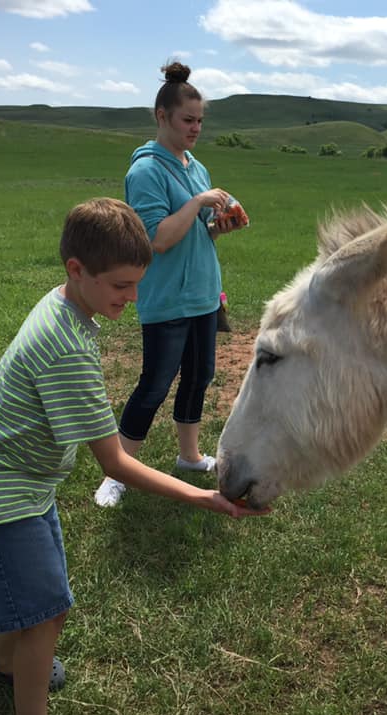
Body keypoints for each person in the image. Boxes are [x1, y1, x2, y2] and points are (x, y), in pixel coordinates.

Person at [0, 197, 267, 715]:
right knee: (47, 614)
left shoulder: (63, 301)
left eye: (138, 283)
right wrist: (202, 496)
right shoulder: (65, 344)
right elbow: (114, 463)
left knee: (37, 602)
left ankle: (3, 661)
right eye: (120, 286)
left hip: (18, 480)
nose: (133, 298)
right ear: (77, 269)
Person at [94, 60, 245, 508]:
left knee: (199, 376)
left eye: (200, 120)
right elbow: (157, 238)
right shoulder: (146, 171)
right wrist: (200, 200)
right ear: (162, 116)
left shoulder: (194, 165)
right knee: (155, 383)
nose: (196, 128)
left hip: (202, 291)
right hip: (167, 296)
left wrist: (220, 225)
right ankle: (116, 474)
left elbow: (197, 230)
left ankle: (189, 455)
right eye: (188, 120)